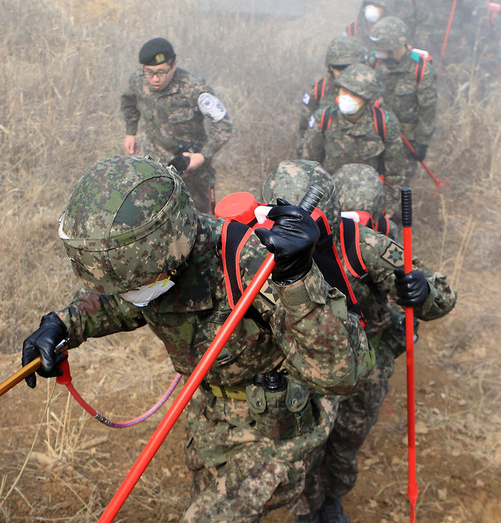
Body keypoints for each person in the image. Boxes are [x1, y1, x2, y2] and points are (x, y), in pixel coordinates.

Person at [20, 155, 375, 522]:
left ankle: (323, 505)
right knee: (205, 494)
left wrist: (297, 280)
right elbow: (123, 300)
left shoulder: (252, 263)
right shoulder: (150, 267)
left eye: (137, 284)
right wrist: (62, 325)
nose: (131, 293)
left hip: (277, 424)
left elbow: (344, 372)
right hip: (207, 415)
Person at [261, 161, 456, 523]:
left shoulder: (362, 243)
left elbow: (440, 294)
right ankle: (307, 509)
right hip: (301, 365)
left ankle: (332, 499)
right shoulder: (266, 245)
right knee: (302, 449)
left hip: (363, 361)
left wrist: (424, 291)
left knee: (346, 441)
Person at [121, 37, 233, 214]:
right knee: (156, 217)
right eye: (149, 72)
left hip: (192, 171)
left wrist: (203, 156)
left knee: (200, 221)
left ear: (174, 65)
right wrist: (130, 132)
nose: (154, 79)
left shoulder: (194, 88)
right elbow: (128, 101)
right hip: (156, 166)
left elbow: (223, 123)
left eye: (161, 72)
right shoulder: (139, 80)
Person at [303, 63, 410, 209]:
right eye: (344, 91)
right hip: (329, 201)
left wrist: (389, 207)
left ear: (367, 99)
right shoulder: (323, 119)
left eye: (354, 94)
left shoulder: (384, 123)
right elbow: (310, 166)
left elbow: (395, 172)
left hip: (369, 203)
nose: (347, 97)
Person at [368, 17, 437, 185]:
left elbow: (427, 108)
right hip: (374, 134)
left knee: (398, 186)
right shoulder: (374, 62)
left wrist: (423, 142)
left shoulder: (420, 69)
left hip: (405, 140)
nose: (379, 52)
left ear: (393, 45)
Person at [299, 36, 369, 150]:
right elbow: (304, 132)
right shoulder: (318, 91)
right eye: (339, 68)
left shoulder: (371, 89)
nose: (345, 72)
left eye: (350, 67)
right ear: (330, 67)